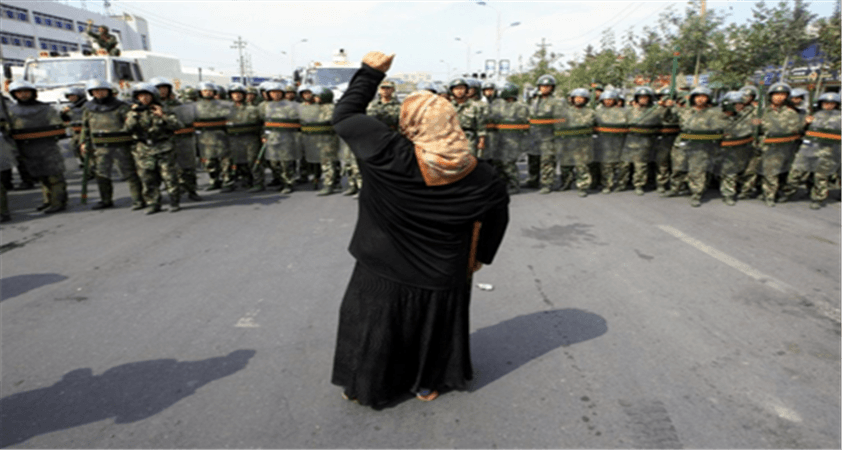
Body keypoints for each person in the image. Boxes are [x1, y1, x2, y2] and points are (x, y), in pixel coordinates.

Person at [330, 51, 509, 407]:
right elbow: (497, 219)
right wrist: (480, 258)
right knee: (432, 328)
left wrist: (370, 73)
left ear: (409, 121)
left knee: (374, 326)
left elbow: (346, 115)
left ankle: (363, 385)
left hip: (379, 263)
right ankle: (427, 384)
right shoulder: (484, 176)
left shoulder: (387, 153)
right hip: (443, 270)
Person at [80, 79, 144, 210]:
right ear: (92, 93)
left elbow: (130, 124)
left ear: (108, 91)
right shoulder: (88, 108)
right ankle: (106, 200)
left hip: (120, 146)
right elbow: (85, 127)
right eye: (96, 91)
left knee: (129, 174)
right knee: (102, 175)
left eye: (102, 90)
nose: (99, 93)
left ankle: (138, 200)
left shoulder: (121, 106)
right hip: (100, 147)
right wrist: (83, 142)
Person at [7, 81, 68, 213]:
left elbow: (58, 127)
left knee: (54, 175)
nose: (23, 95)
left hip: (47, 147)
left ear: (33, 93)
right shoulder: (11, 111)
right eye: (19, 92)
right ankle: (48, 200)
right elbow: (8, 130)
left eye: (26, 92)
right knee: (41, 176)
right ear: (14, 94)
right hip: (26, 148)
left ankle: (58, 202)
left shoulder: (46, 109)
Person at [123, 83, 183, 214]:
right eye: (141, 96)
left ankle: (174, 201)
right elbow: (127, 129)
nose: (144, 98)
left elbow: (178, 125)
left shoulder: (163, 109)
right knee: (148, 178)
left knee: (169, 177)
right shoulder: (133, 112)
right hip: (144, 149)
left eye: (147, 95)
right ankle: (153, 203)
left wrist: (162, 115)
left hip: (163, 148)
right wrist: (134, 114)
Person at [780, 92, 841, 209]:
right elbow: (797, 129)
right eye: (825, 103)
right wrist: (805, 122)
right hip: (808, 149)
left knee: (820, 177)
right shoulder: (813, 115)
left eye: (832, 103)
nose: (828, 106)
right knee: (796, 173)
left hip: (828, 151)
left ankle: (817, 199)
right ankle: (788, 193)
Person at [556, 88, 595, 196]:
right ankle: (565, 183)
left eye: (581, 98)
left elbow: (590, 124)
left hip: (582, 144)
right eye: (576, 97)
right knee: (565, 166)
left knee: (581, 166)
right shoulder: (565, 112)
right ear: (572, 99)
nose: (579, 100)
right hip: (567, 143)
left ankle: (582, 186)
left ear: (586, 100)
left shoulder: (590, 112)